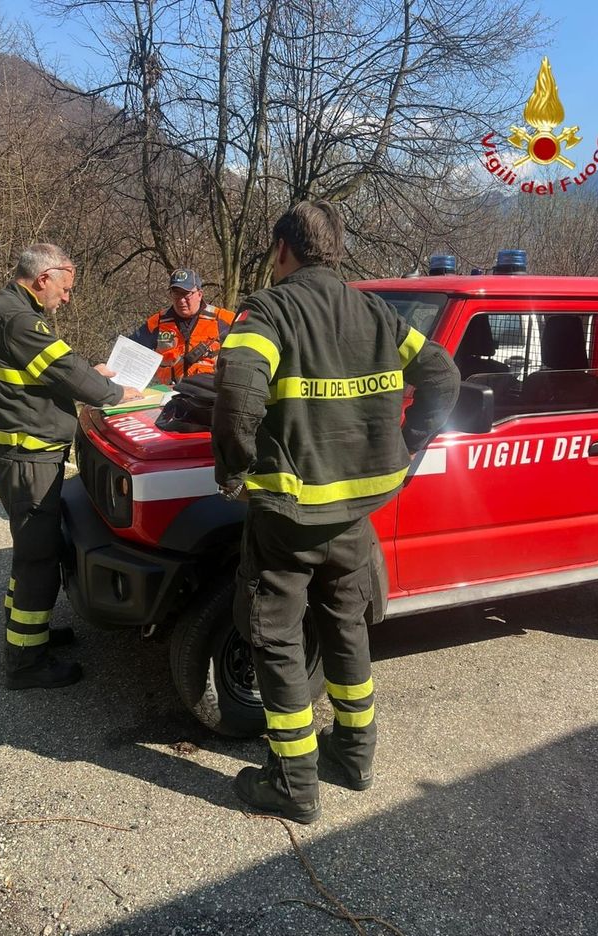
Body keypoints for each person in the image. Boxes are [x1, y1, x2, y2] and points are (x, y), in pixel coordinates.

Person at [211, 201, 461, 823]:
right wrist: (413, 444)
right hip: (355, 516)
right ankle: (353, 754)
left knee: (276, 638)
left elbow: (238, 390)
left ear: (281, 250)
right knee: (346, 626)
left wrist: (234, 473)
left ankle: (293, 784)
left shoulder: (267, 311)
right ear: (337, 251)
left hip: (287, 518)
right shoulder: (375, 312)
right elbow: (443, 374)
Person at [0, 244, 142, 691]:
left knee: (29, 550)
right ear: (44, 277)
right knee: (38, 558)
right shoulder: (20, 319)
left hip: (19, 454)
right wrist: (113, 392)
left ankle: (27, 633)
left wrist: (93, 371)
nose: (67, 298)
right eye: (65, 288)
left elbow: (50, 365)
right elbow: (62, 366)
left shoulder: (5, 308)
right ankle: (26, 662)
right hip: (28, 458)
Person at [130, 268, 235, 385]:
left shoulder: (222, 319)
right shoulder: (157, 322)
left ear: (200, 294)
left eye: (186, 294)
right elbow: (130, 350)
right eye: (176, 293)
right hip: (165, 395)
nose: (181, 300)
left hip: (206, 396)